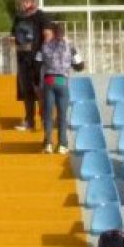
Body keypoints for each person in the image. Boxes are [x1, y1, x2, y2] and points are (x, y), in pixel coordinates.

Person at [9, 0, 50, 132]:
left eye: (19, 4)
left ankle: (45, 120)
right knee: (27, 91)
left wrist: (42, 54)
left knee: (41, 91)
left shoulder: (40, 16)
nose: (18, 7)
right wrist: (13, 41)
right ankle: (29, 121)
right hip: (22, 59)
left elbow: (48, 35)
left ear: (27, 2)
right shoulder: (18, 18)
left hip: (38, 59)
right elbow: (13, 35)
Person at [37, 21, 75, 154]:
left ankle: (48, 143)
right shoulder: (70, 46)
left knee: (48, 114)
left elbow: (37, 62)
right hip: (62, 80)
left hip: (49, 80)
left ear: (53, 32)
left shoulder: (45, 46)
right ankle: (62, 145)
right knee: (62, 115)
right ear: (64, 33)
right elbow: (79, 65)